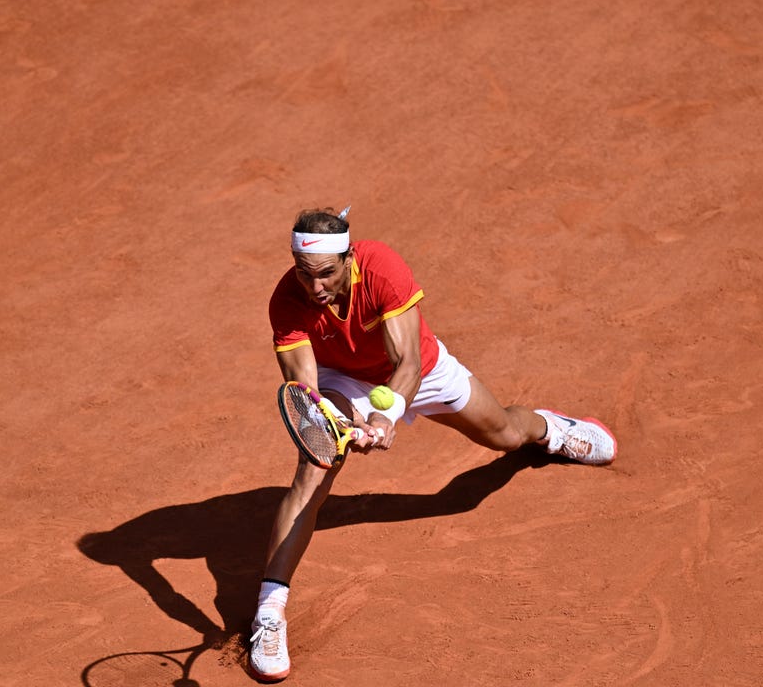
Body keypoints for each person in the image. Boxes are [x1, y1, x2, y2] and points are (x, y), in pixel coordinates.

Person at [248, 206, 617, 682]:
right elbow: (307, 390)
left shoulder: (381, 267)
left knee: (502, 433)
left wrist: (384, 418)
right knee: (314, 470)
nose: (314, 287)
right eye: (304, 273)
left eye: (326, 273)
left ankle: (552, 429)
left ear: (349, 258)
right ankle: (269, 612)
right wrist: (343, 424)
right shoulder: (286, 301)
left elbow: (408, 365)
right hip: (344, 380)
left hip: (418, 370)